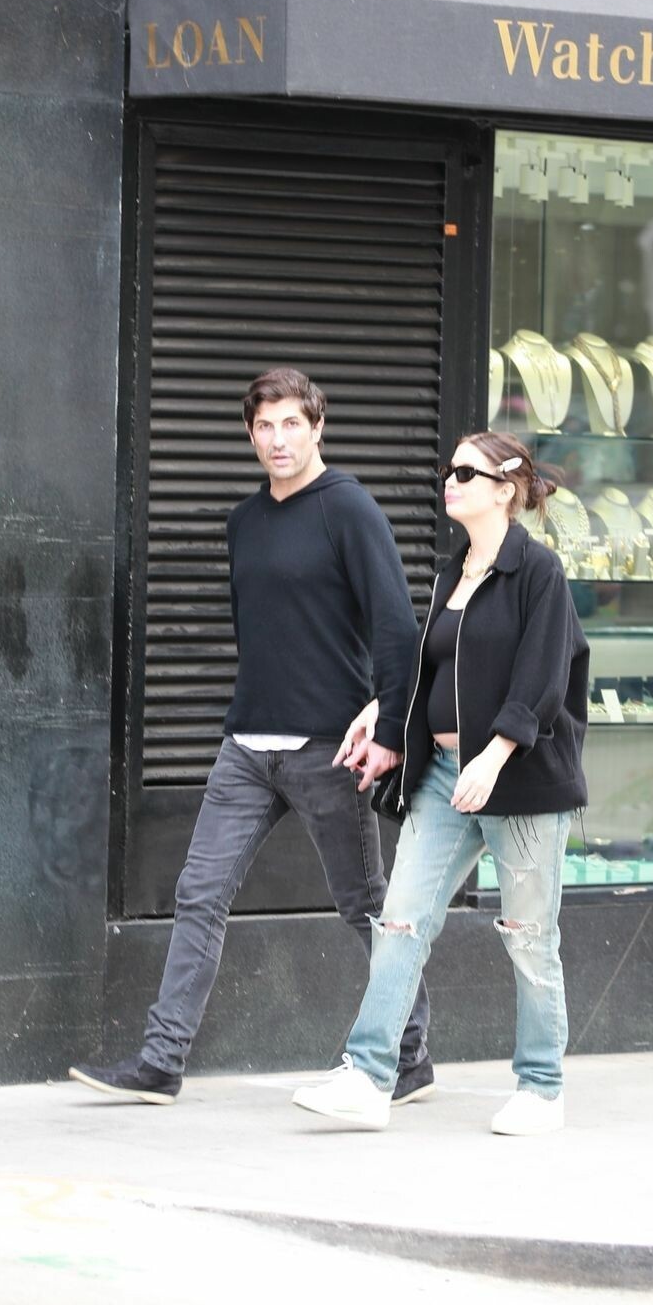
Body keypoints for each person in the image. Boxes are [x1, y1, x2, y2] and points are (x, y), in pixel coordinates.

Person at [69, 367, 432, 1104]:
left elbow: (396, 628)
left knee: (363, 904)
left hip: (329, 748)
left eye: (291, 423)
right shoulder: (245, 521)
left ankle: (411, 1053)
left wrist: (391, 730)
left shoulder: (349, 509)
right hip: (246, 747)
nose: (278, 439)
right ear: (249, 433)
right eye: (264, 426)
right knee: (199, 893)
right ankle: (161, 1060)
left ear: (318, 427)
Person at [292, 430, 588, 1138]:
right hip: (444, 779)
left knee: (528, 936)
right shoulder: (452, 574)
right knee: (400, 921)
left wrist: (495, 754)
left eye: (466, 472)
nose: (449, 481)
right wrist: (384, 713)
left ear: (505, 490)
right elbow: (434, 671)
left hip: (519, 780)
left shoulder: (537, 571)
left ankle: (541, 1088)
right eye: (448, 470)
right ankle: (370, 1077)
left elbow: (543, 676)